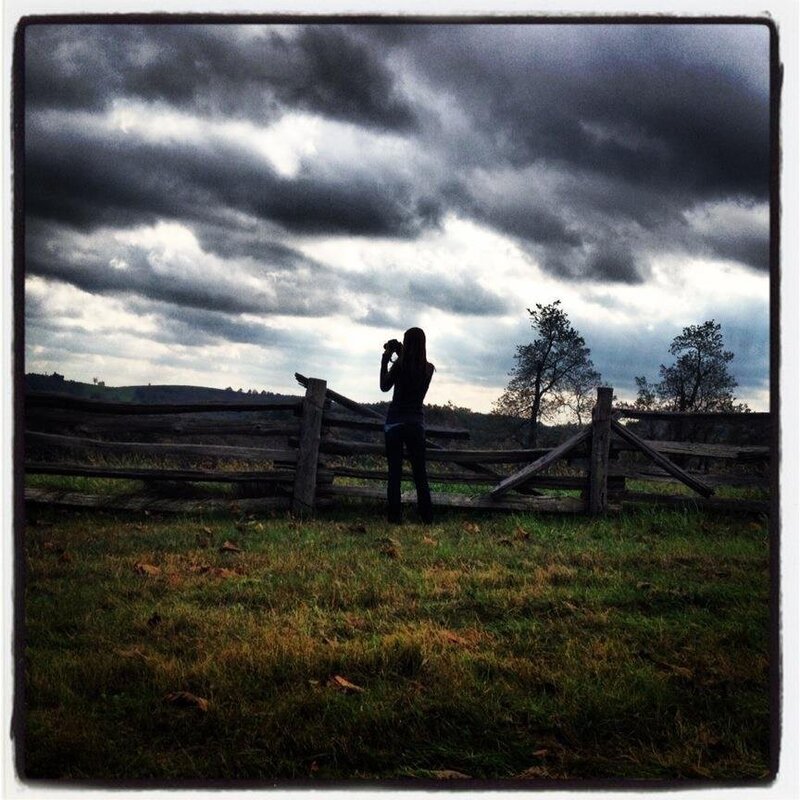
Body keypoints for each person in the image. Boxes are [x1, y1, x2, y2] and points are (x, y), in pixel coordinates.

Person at [380, 327, 435, 525]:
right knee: (420, 473)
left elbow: (384, 386)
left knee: (394, 473)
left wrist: (386, 359)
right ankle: (426, 516)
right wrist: (401, 352)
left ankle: (394, 517)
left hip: (395, 423)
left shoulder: (400, 366)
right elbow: (414, 371)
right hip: (416, 423)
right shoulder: (428, 369)